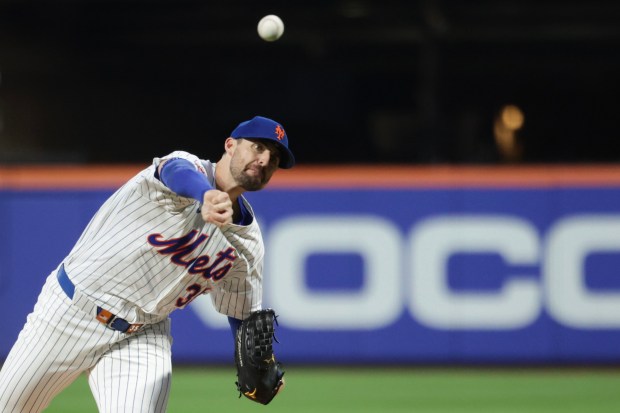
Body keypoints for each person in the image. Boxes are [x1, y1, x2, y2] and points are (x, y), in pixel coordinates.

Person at [0, 115, 294, 412]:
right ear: (230, 145)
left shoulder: (248, 244)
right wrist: (204, 195)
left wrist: (258, 366)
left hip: (143, 334)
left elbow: (242, 314)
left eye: (274, 157)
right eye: (258, 147)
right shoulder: (185, 167)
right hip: (71, 311)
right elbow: (174, 172)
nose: (265, 159)